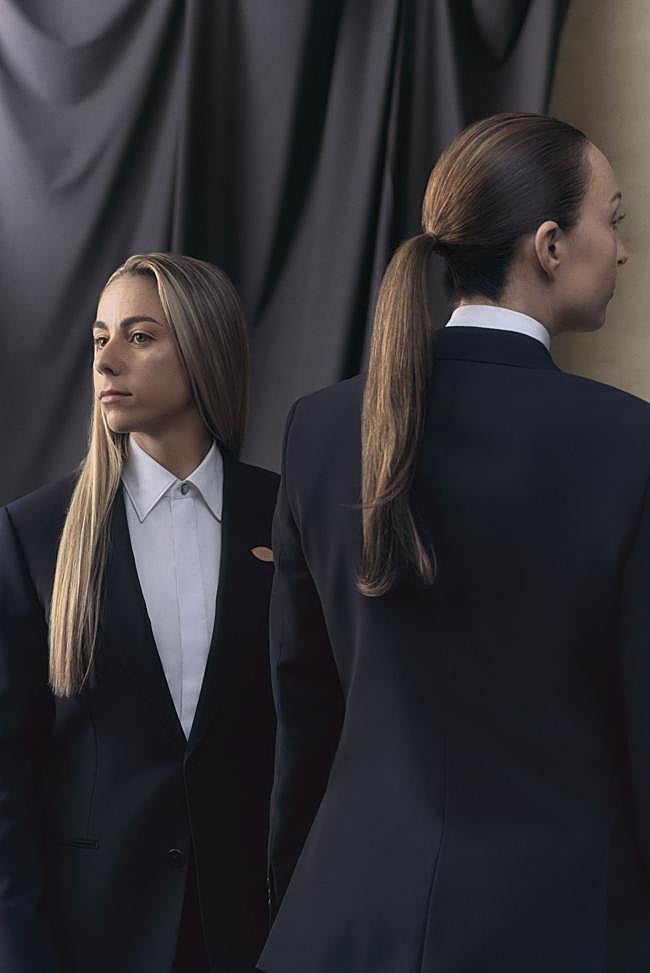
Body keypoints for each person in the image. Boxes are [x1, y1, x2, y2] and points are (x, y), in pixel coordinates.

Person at [258, 113, 650, 973]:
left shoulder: (317, 432)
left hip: (339, 924)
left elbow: (304, 719)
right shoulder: (629, 444)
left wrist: (295, 901)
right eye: (612, 220)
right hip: (560, 926)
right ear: (549, 243)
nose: (620, 250)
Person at [0, 252, 278, 973]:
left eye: (141, 336)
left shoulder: (286, 519)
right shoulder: (35, 534)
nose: (107, 359)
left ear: (204, 346)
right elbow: (7, 775)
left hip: (257, 929)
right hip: (90, 935)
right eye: (99, 338)